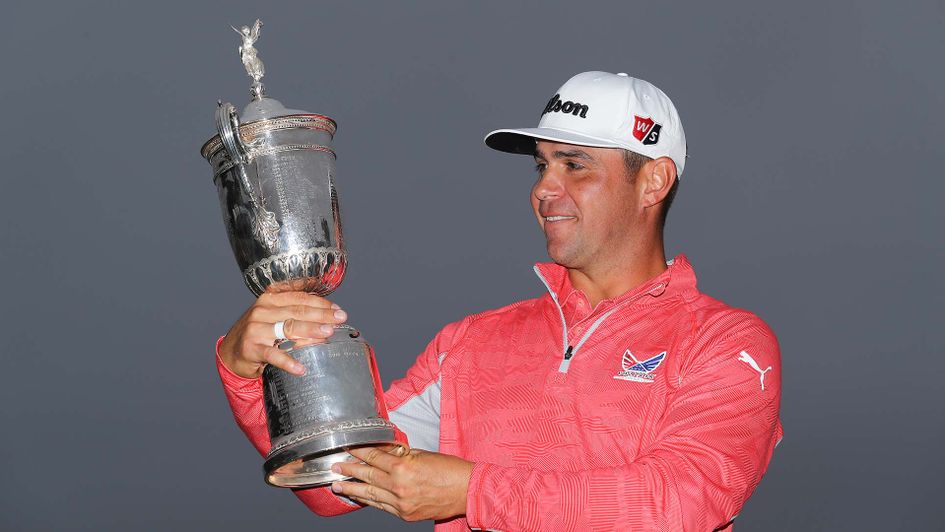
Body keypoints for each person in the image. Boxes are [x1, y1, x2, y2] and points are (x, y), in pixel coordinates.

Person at [216, 71, 783, 531]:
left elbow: (683, 501)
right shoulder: (470, 343)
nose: (543, 187)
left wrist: (472, 491)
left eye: (574, 165)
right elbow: (336, 482)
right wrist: (248, 372)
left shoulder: (725, 342)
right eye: (542, 165)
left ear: (654, 182)